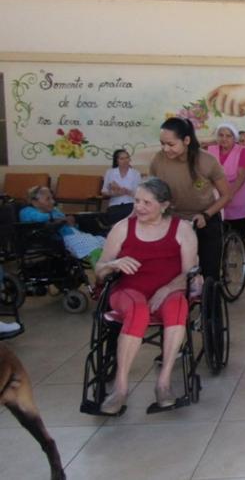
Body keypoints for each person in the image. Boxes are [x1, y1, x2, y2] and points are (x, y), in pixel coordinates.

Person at [94, 178, 198, 414]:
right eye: (137, 201)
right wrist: (114, 263)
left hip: (169, 290)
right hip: (128, 291)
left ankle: (163, 383)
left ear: (164, 205)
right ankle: (120, 388)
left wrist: (168, 288)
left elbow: (189, 272)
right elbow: (99, 270)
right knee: (138, 311)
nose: (139, 207)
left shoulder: (182, 229)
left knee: (178, 308)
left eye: (147, 203)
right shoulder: (123, 228)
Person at [150, 117, 231, 280]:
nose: (165, 149)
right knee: (174, 273)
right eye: (162, 144)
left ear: (186, 140)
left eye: (171, 144)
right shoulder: (159, 160)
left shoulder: (207, 161)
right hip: (172, 222)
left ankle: (211, 302)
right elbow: (152, 192)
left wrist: (206, 215)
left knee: (209, 274)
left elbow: (226, 195)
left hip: (205, 221)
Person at [207, 122, 245, 281]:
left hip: (237, 200)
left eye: (228, 136)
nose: (224, 139)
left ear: (234, 138)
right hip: (216, 201)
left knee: (240, 236)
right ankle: (224, 273)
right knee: (218, 239)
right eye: (221, 135)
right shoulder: (210, 150)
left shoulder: (242, 151)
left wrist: (228, 195)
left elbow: (241, 177)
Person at [20, 186, 106, 265]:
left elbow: (66, 222)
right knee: (93, 247)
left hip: (74, 234)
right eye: (48, 199)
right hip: (60, 238)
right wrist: (61, 219)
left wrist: (72, 223)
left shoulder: (54, 210)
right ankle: (100, 270)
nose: (53, 202)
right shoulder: (27, 211)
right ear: (35, 202)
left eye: (52, 198)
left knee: (104, 242)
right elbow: (40, 218)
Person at [102, 149, 142, 224]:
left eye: (127, 158)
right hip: (115, 204)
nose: (125, 161)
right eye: (122, 159)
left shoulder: (135, 173)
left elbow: (139, 194)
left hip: (130, 204)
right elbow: (104, 191)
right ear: (117, 160)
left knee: (128, 215)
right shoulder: (110, 172)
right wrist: (113, 194)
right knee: (113, 216)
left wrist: (128, 192)